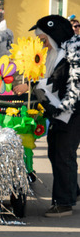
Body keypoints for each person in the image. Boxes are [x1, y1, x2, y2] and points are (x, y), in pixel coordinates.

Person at [31, 14, 80, 216]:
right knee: (57, 152)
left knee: (63, 154)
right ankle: (71, 191)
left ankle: (64, 203)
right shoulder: (58, 52)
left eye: (44, 39)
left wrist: (32, 86)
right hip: (62, 113)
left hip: (72, 112)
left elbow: (57, 81)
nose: (43, 44)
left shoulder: (70, 54)